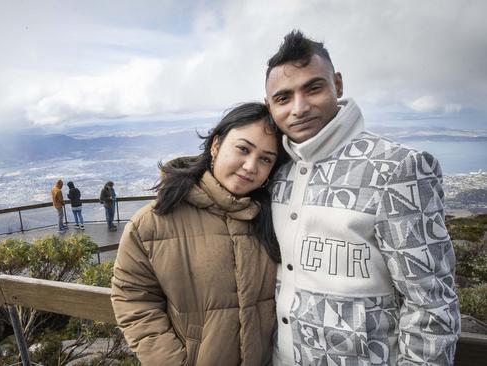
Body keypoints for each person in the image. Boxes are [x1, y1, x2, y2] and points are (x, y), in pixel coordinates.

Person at [264, 30, 460, 365]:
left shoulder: (397, 167)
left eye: (313, 88)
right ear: (270, 105)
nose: (299, 108)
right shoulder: (275, 172)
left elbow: (431, 306)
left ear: (337, 85)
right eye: (283, 98)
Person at [111, 102, 285, 365]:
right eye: (243, 149)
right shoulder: (152, 223)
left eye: (265, 159)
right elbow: (133, 300)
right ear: (215, 145)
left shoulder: (273, 218)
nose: (251, 166)